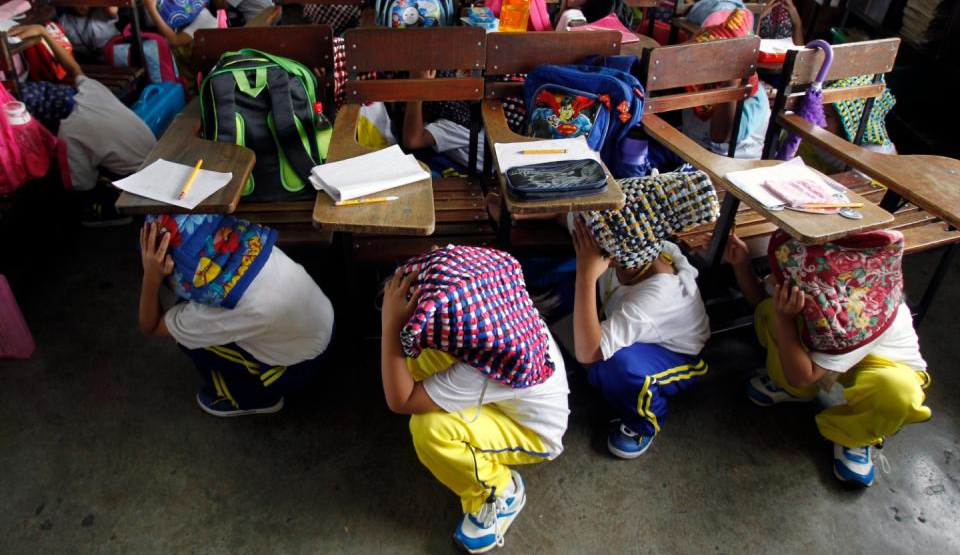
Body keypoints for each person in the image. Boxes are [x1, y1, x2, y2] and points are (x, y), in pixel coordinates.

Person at [380, 245, 569, 554]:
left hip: (534, 434)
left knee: (429, 430)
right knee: (418, 357)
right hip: (504, 395)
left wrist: (391, 326)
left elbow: (400, 401)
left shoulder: (485, 369)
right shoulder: (495, 307)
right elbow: (452, 261)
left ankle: (498, 493)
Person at [724, 230, 931, 487]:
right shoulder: (810, 272)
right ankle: (790, 389)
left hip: (882, 363)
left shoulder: (859, 303)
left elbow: (803, 376)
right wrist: (742, 263)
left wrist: (785, 318)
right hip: (822, 347)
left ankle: (854, 435)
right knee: (772, 309)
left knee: (897, 393)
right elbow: (761, 299)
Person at [569, 170, 718, 458]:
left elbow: (588, 352)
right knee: (561, 290)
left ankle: (641, 423)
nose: (587, 246)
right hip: (630, 321)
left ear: (614, 256)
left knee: (613, 367)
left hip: (674, 353)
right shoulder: (632, 247)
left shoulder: (656, 296)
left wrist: (585, 276)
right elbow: (575, 224)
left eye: (594, 250)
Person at [138, 214, 334, 417]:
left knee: (185, 337)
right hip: (323, 323)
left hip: (294, 369)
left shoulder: (215, 313)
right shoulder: (251, 243)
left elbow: (150, 327)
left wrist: (151, 277)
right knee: (185, 315)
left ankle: (252, 398)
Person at [9, 23, 155, 225]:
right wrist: (43, 33)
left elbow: (80, 184)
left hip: (138, 181)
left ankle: (116, 211)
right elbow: (73, 68)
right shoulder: (89, 90)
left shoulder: (69, 133)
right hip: (153, 154)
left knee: (81, 193)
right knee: (95, 150)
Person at [680, 8, 771, 159]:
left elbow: (720, 135)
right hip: (691, 152)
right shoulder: (701, 85)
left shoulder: (754, 99)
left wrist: (731, 80)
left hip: (730, 167)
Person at [401, 70, 485, 174]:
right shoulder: (462, 106)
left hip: (473, 174)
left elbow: (412, 141)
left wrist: (417, 90)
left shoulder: (457, 122)